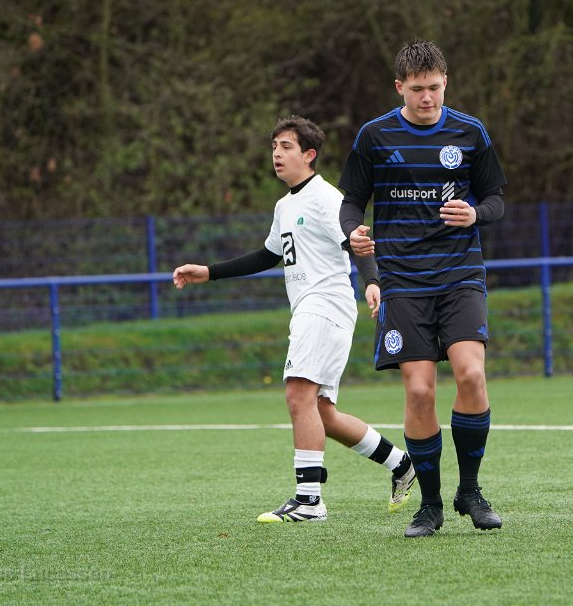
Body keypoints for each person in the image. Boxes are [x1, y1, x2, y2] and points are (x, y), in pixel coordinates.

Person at [173, 116, 416, 523]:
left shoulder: (326, 198)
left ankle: (309, 500)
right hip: (310, 309)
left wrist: (373, 282)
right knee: (322, 413)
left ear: (309, 154)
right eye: (274, 147)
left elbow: (358, 241)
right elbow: (268, 255)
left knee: (297, 395)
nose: (277, 154)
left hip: (326, 304)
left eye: (286, 147)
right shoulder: (285, 206)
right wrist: (209, 272)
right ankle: (401, 464)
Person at [338, 40, 507, 537]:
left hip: (459, 274)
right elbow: (351, 203)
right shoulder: (374, 135)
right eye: (417, 89)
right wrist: (353, 232)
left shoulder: (470, 132)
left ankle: (469, 491)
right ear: (400, 87)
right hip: (403, 281)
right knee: (418, 389)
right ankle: (429, 505)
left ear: (445, 82)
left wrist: (475, 213)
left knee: (471, 375)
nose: (427, 97)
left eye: (434, 87)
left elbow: (496, 199)